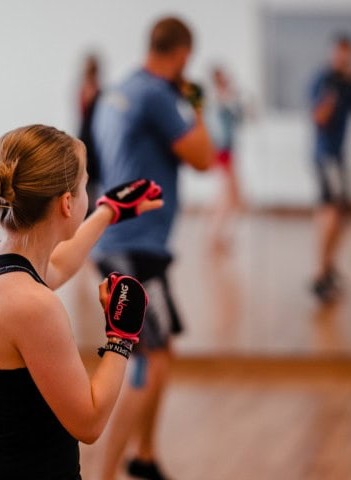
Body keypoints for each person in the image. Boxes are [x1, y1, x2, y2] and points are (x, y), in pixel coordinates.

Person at [0, 124, 163, 479]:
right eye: (86, 185)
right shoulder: (32, 305)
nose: (90, 192)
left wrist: (107, 211)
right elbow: (89, 422)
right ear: (68, 204)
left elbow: (59, 263)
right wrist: (122, 337)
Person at [91, 16, 214, 480]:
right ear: (182, 55)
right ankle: (107, 472)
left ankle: (143, 455)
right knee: (148, 358)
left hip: (127, 244)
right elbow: (203, 157)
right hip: (132, 247)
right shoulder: (160, 96)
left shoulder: (117, 92)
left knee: (162, 352)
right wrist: (196, 103)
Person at [308, 34, 351, 303]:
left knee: (343, 214)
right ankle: (320, 272)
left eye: (348, 55)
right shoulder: (323, 80)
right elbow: (318, 118)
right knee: (331, 211)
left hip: (340, 156)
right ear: (333, 53)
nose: (344, 59)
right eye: (340, 54)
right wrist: (332, 93)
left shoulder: (349, 81)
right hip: (325, 155)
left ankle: (329, 266)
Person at [205, 65, 246, 252]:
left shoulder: (227, 99)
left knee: (234, 196)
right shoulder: (218, 99)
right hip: (221, 152)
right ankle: (215, 236)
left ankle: (219, 235)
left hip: (228, 151)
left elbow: (241, 118)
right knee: (227, 196)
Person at [77, 53, 102, 215]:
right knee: (87, 177)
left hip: (90, 136)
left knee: (90, 179)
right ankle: (86, 210)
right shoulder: (89, 89)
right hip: (89, 138)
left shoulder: (88, 88)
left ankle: (89, 209)